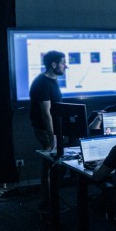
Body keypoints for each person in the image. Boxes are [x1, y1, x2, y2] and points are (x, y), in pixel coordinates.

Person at [30, 50, 67, 213]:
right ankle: (48, 204)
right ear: (53, 64)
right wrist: (52, 138)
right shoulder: (42, 83)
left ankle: (49, 202)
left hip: (53, 130)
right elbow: (46, 114)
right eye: (63, 63)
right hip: (46, 131)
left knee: (54, 165)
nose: (66, 66)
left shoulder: (52, 80)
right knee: (53, 165)